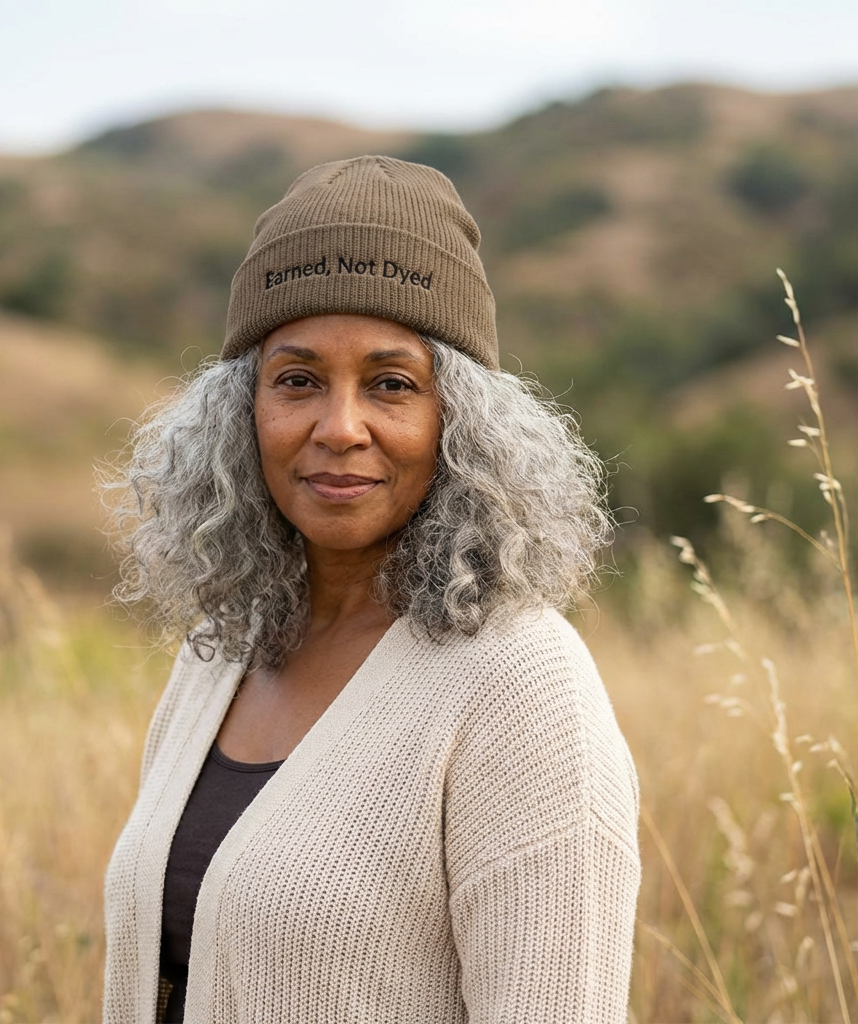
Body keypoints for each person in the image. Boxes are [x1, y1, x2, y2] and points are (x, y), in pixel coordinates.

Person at [102, 155, 640, 1024]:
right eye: (298, 379)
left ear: (460, 420)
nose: (339, 428)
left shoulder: (523, 687)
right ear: (243, 413)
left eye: (392, 384)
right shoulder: (222, 649)